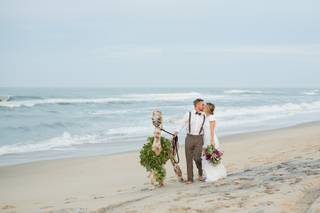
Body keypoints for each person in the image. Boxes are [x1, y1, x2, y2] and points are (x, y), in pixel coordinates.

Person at [174, 98, 206, 184]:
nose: (204, 106)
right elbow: (181, 123)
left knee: (197, 158)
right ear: (197, 105)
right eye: (202, 104)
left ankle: (200, 173)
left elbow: (206, 128)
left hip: (199, 138)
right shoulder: (188, 114)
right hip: (189, 138)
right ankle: (190, 179)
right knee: (188, 159)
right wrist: (176, 132)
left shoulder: (204, 115)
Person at [202, 103, 227, 182]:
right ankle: (212, 174)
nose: (204, 107)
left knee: (211, 157)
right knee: (207, 157)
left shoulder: (211, 117)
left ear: (208, 108)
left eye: (205, 106)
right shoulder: (205, 117)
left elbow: (212, 130)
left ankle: (213, 176)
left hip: (211, 139)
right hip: (205, 138)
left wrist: (212, 140)